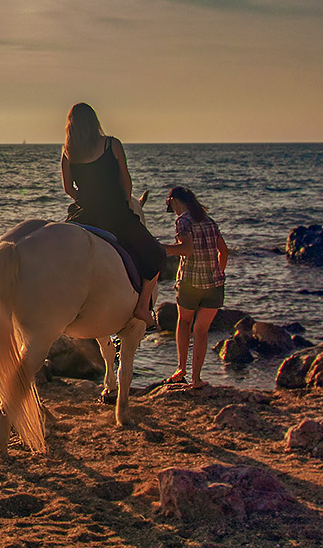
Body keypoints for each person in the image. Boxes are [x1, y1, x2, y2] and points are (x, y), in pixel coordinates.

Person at [60, 102, 166, 328]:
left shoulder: (68, 152)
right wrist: (126, 204)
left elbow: (68, 189)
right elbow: (125, 180)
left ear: (71, 125)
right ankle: (142, 307)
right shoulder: (111, 144)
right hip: (115, 213)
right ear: (94, 121)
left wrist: (85, 200)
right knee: (156, 253)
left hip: (85, 215)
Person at [162, 186, 228, 389]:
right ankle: (196, 379)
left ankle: (181, 369)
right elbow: (223, 251)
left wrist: (161, 249)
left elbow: (186, 250)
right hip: (214, 285)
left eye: (169, 205)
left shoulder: (183, 221)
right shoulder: (208, 220)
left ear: (174, 200)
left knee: (184, 324)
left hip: (190, 283)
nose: (171, 209)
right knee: (201, 331)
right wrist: (218, 272)